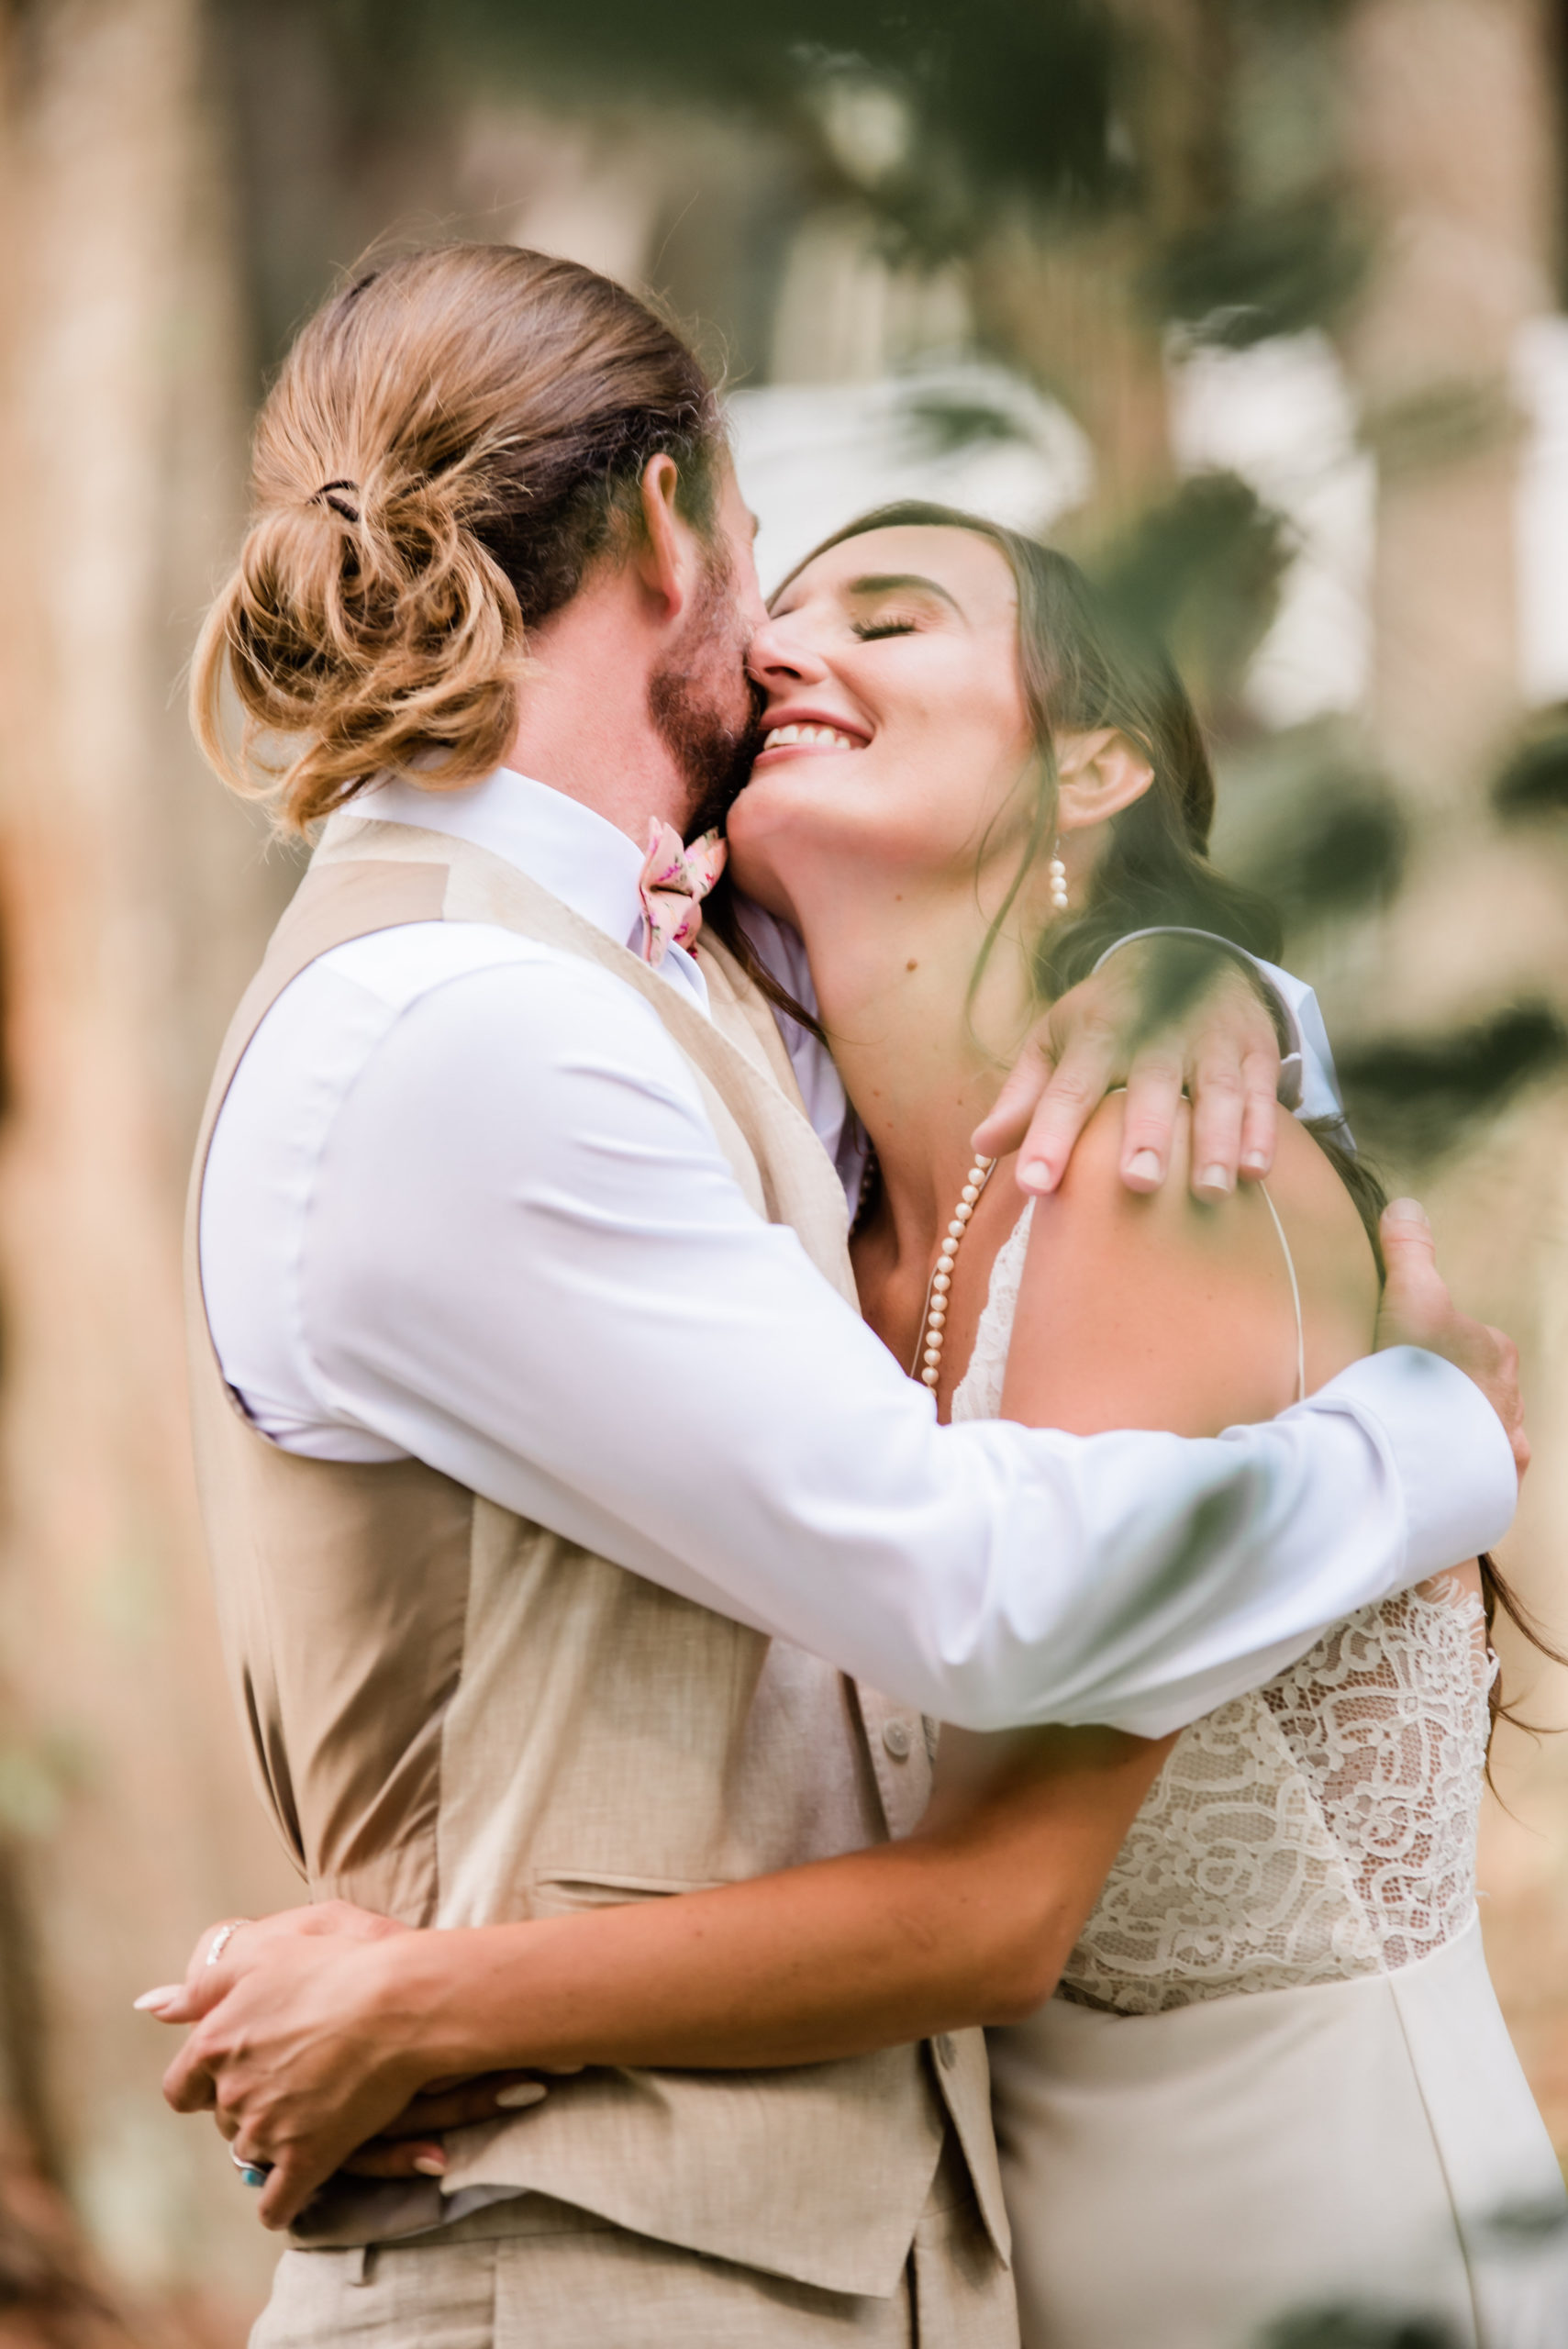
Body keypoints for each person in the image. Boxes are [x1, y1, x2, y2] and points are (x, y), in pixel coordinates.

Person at [153, 247, 1523, 2349]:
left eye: (882, 619)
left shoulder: (919, 1092)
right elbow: (974, 1589)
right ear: (673, 528)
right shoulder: (546, 1025)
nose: (789, 648)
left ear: (1091, 771)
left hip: (1253, 2232)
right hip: (659, 2265)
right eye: (787, 595)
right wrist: (1424, 1439)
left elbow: (993, 1869)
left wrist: (1224, 986)